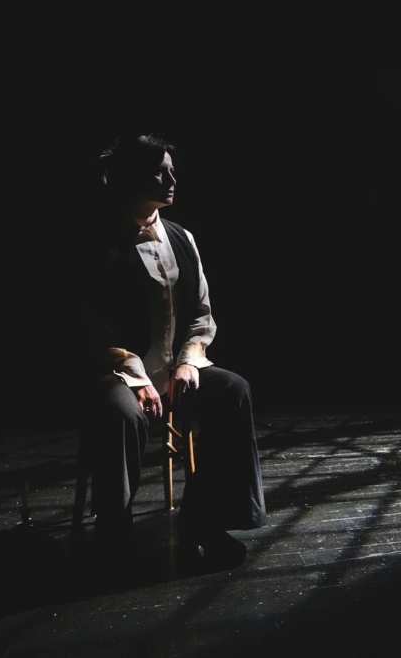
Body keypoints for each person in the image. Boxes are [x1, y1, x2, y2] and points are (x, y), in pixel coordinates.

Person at [72, 132, 266, 569]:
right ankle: (113, 533)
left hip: (175, 370)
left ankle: (207, 522)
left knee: (233, 390)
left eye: (172, 172)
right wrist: (136, 376)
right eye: (159, 173)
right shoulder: (96, 242)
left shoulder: (182, 238)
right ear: (131, 177)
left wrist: (189, 362)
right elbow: (89, 323)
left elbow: (201, 312)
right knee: (120, 412)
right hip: (115, 371)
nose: (171, 180)